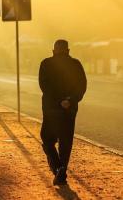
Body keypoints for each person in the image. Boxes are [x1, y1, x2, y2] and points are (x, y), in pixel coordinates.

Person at [39, 39, 87, 185]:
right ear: (68, 51)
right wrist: (70, 100)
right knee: (66, 143)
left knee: (47, 140)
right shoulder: (76, 64)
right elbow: (82, 86)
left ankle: (58, 168)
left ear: (53, 51)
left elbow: (44, 86)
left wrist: (58, 100)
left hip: (51, 110)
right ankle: (62, 170)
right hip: (69, 111)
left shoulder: (46, 64)